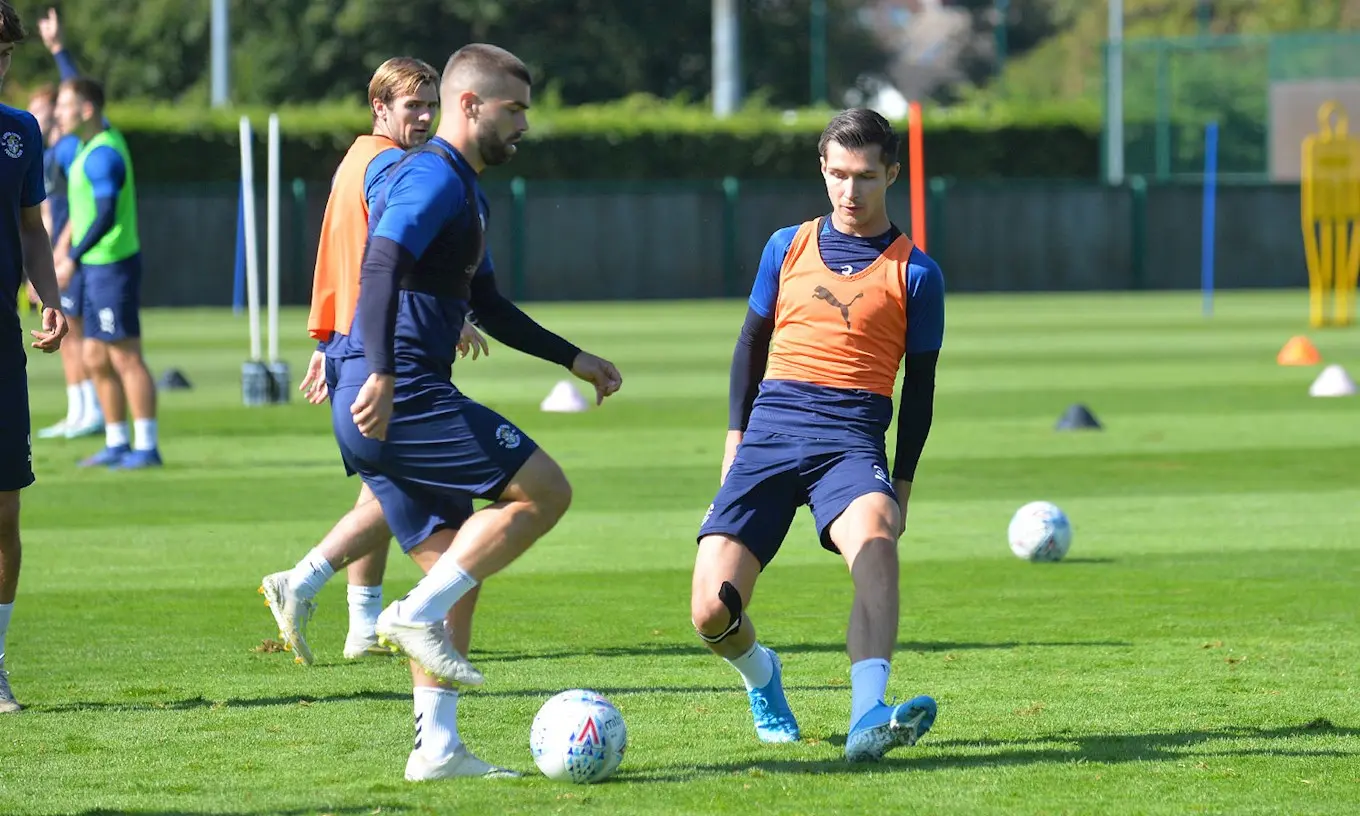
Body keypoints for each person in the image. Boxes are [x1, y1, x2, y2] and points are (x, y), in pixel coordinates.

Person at [332, 43, 621, 781]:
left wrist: (572, 358)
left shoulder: (466, 188)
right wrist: (384, 374)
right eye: (513, 108)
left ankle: (435, 749)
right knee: (545, 491)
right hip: (397, 394)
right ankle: (410, 614)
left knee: (457, 561)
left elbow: (485, 304)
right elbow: (380, 263)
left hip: (385, 392)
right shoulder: (434, 177)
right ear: (470, 105)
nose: (524, 123)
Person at [690, 108, 945, 762]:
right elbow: (750, 346)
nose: (849, 191)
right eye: (838, 174)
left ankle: (868, 716)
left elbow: (919, 390)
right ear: (823, 170)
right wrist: (734, 438)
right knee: (711, 612)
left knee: (877, 537)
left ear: (891, 174)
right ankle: (761, 674)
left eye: (865, 176)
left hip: (851, 439)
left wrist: (902, 485)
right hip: (771, 430)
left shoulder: (917, 273)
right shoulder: (786, 246)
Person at [260, 56, 489, 664]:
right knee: (402, 488)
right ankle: (307, 582)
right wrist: (446, 311)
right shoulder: (392, 165)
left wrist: (327, 342)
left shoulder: (355, 159)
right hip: (381, 348)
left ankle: (360, 623)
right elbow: (386, 259)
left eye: (431, 105)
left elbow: (347, 253)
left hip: (351, 341)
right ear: (379, 108)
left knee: (382, 483)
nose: (425, 117)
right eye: (412, 106)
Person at [0, 0, 72, 713]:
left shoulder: (19, 131)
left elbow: (30, 229)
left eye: (3, 56)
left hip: (0, 344)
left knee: (4, 513)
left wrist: (49, 296)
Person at [54, 77, 161, 469]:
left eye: (65, 106)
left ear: (86, 111)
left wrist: (71, 257)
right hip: (94, 267)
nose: (58, 113)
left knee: (125, 356)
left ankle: (146, 446)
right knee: (94, 355)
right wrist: (58, 51)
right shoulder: (87, 145)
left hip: (112, 266)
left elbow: (105, 215)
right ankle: (116, 441)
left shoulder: (103, 155)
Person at [29, 7, 102, 440]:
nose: (41, 116)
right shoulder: (44, 154)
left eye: (45, 109)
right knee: (63, 332)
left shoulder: (71, 148)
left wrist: (58, 49)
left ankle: (91, 409)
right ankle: (78, 409)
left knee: (74, 330)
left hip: (67, 252)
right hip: (53, 252)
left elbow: (74, 208)